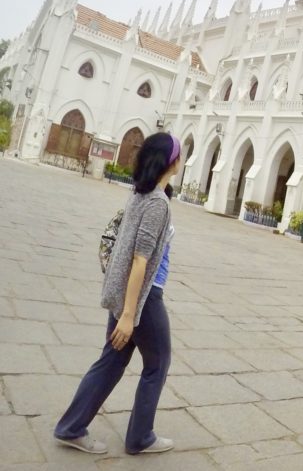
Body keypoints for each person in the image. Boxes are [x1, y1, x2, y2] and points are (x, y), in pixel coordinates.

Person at [54, 132, 179, 455]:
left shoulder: (142, 194)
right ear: (171, 161)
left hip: (126, 292)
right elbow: (140, 259)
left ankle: (71, 427)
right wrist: (128, 314)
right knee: (158, 362)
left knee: (112, 360)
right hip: (143, 298)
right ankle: (140, 437)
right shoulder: (156, 203)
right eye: (180, 153)